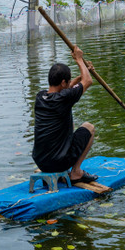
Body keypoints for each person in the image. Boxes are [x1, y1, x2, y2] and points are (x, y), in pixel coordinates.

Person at [32, 46, 97, 184]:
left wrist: (83, 74)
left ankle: (63, 169)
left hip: (41, 162)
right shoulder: (64, 98)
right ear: (63, 82)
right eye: (67, 81)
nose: (69, 84)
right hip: (58, 162)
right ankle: (76, 172)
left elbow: (70, 88)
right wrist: (79, 59)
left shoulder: (40, 97)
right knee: (89, 127)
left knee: (69, 123)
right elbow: (88, 82)